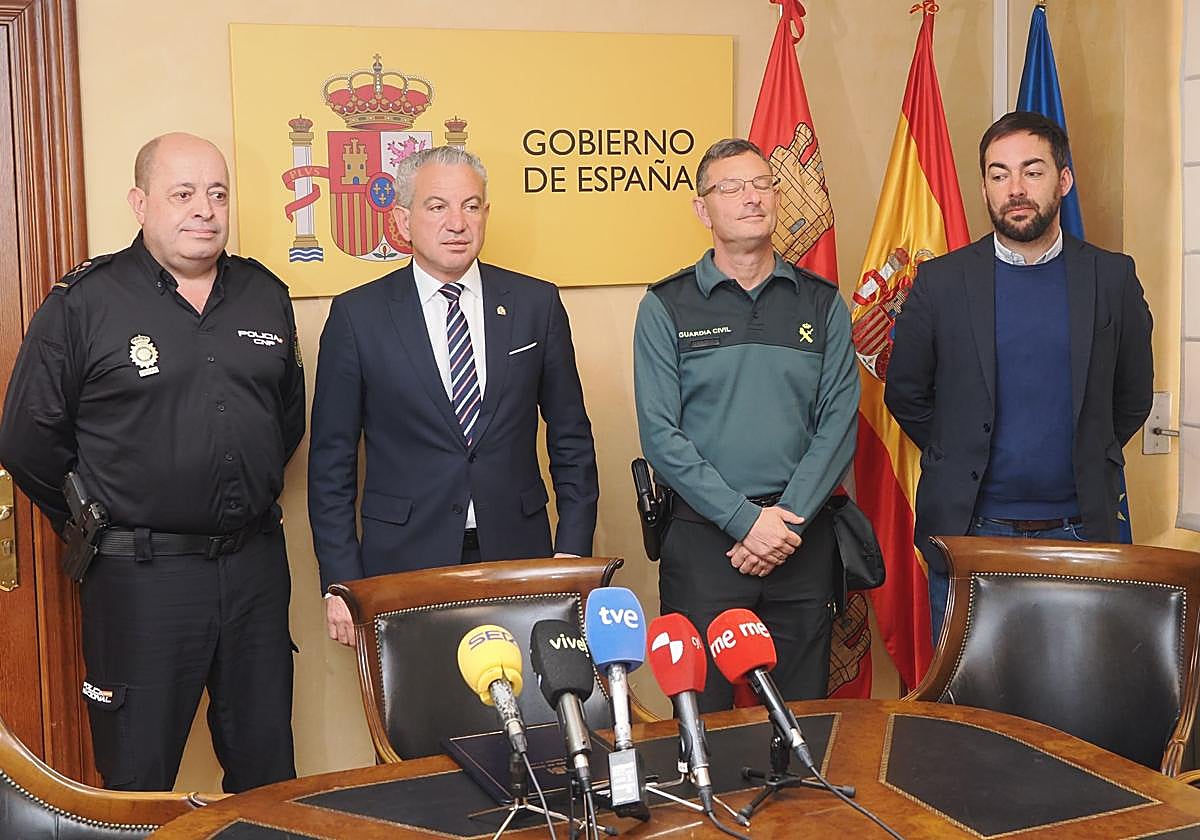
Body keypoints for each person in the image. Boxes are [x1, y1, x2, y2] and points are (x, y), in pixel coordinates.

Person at [0, 133, 304, 791]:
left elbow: (285, 422)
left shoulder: (262, 294)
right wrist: (94, 519)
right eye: (184, 193)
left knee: (268, 772)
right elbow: (28, 439)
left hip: (253, 569)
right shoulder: (86, 302)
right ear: (141, 203)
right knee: (138, 778)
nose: (205, 209)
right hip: (142, 576)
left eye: (217, 193)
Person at [309, 146, 598, 646]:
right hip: (402, 562)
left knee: (527, 715)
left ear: (486, 214)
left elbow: (571, 438)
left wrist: (572, 551)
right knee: (420, 718)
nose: (457, 223)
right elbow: (331, 461)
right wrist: (341, 582)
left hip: (519, 555)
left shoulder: (536, 304)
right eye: (437, 206)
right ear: (402, 219)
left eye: (471, 205)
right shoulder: (359, 316)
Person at [884, 111, 1154, 642]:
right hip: (970, 533)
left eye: (1032, 171)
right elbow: (907, 393)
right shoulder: (941, 282)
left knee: (1076, 701)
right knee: (967, 707)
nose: (1015, 189)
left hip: (1082, 532)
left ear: (1064, 180)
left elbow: (1132, 397)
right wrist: (959, 451)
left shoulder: (1111, 277)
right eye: (999, 174)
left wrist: (1083, 449)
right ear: (984, 186)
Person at [634, 138, 859, 712]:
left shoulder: (821, 303)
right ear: (702, 209)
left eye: (762, 184)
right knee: (700, 725)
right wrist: (744, 523)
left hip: (799, 541)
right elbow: (662, 437)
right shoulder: (667, 305)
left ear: (778, 198)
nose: (749, 198)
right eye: (730, 187)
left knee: (801, 723)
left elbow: (838, 423)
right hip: (705, 546)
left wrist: (780, 526)